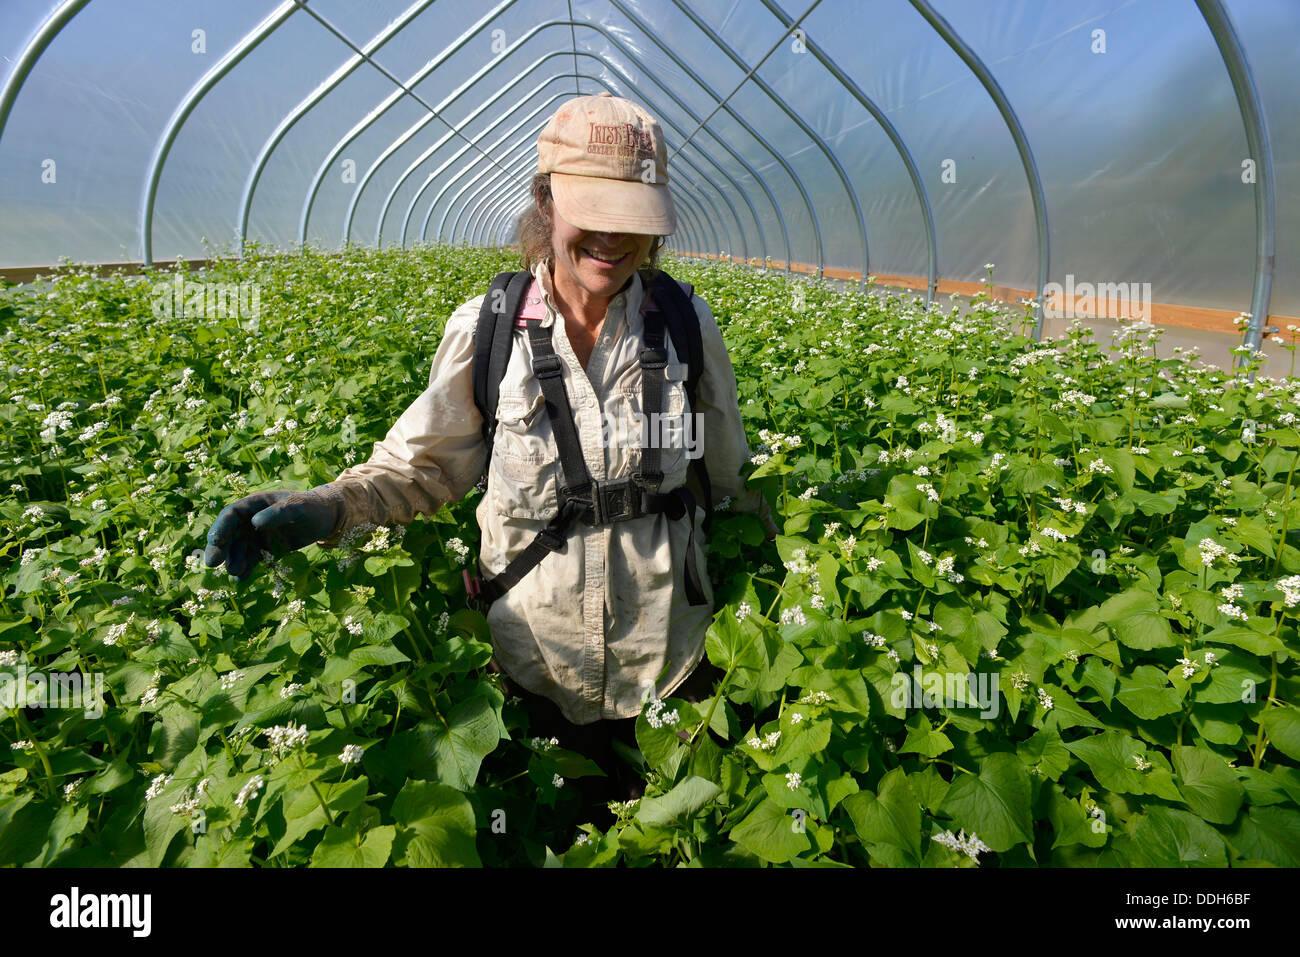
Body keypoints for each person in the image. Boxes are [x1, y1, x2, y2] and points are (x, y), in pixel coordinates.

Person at [203, 92, 776, 809]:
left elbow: (733, 481)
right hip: (534, 674)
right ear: (545, 202)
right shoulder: (491, 330)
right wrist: (324, 507)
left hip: (669, 671)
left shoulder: (684, 326)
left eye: (631, 221)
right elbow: (419, 468)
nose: (611, 240)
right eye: (590, 214)